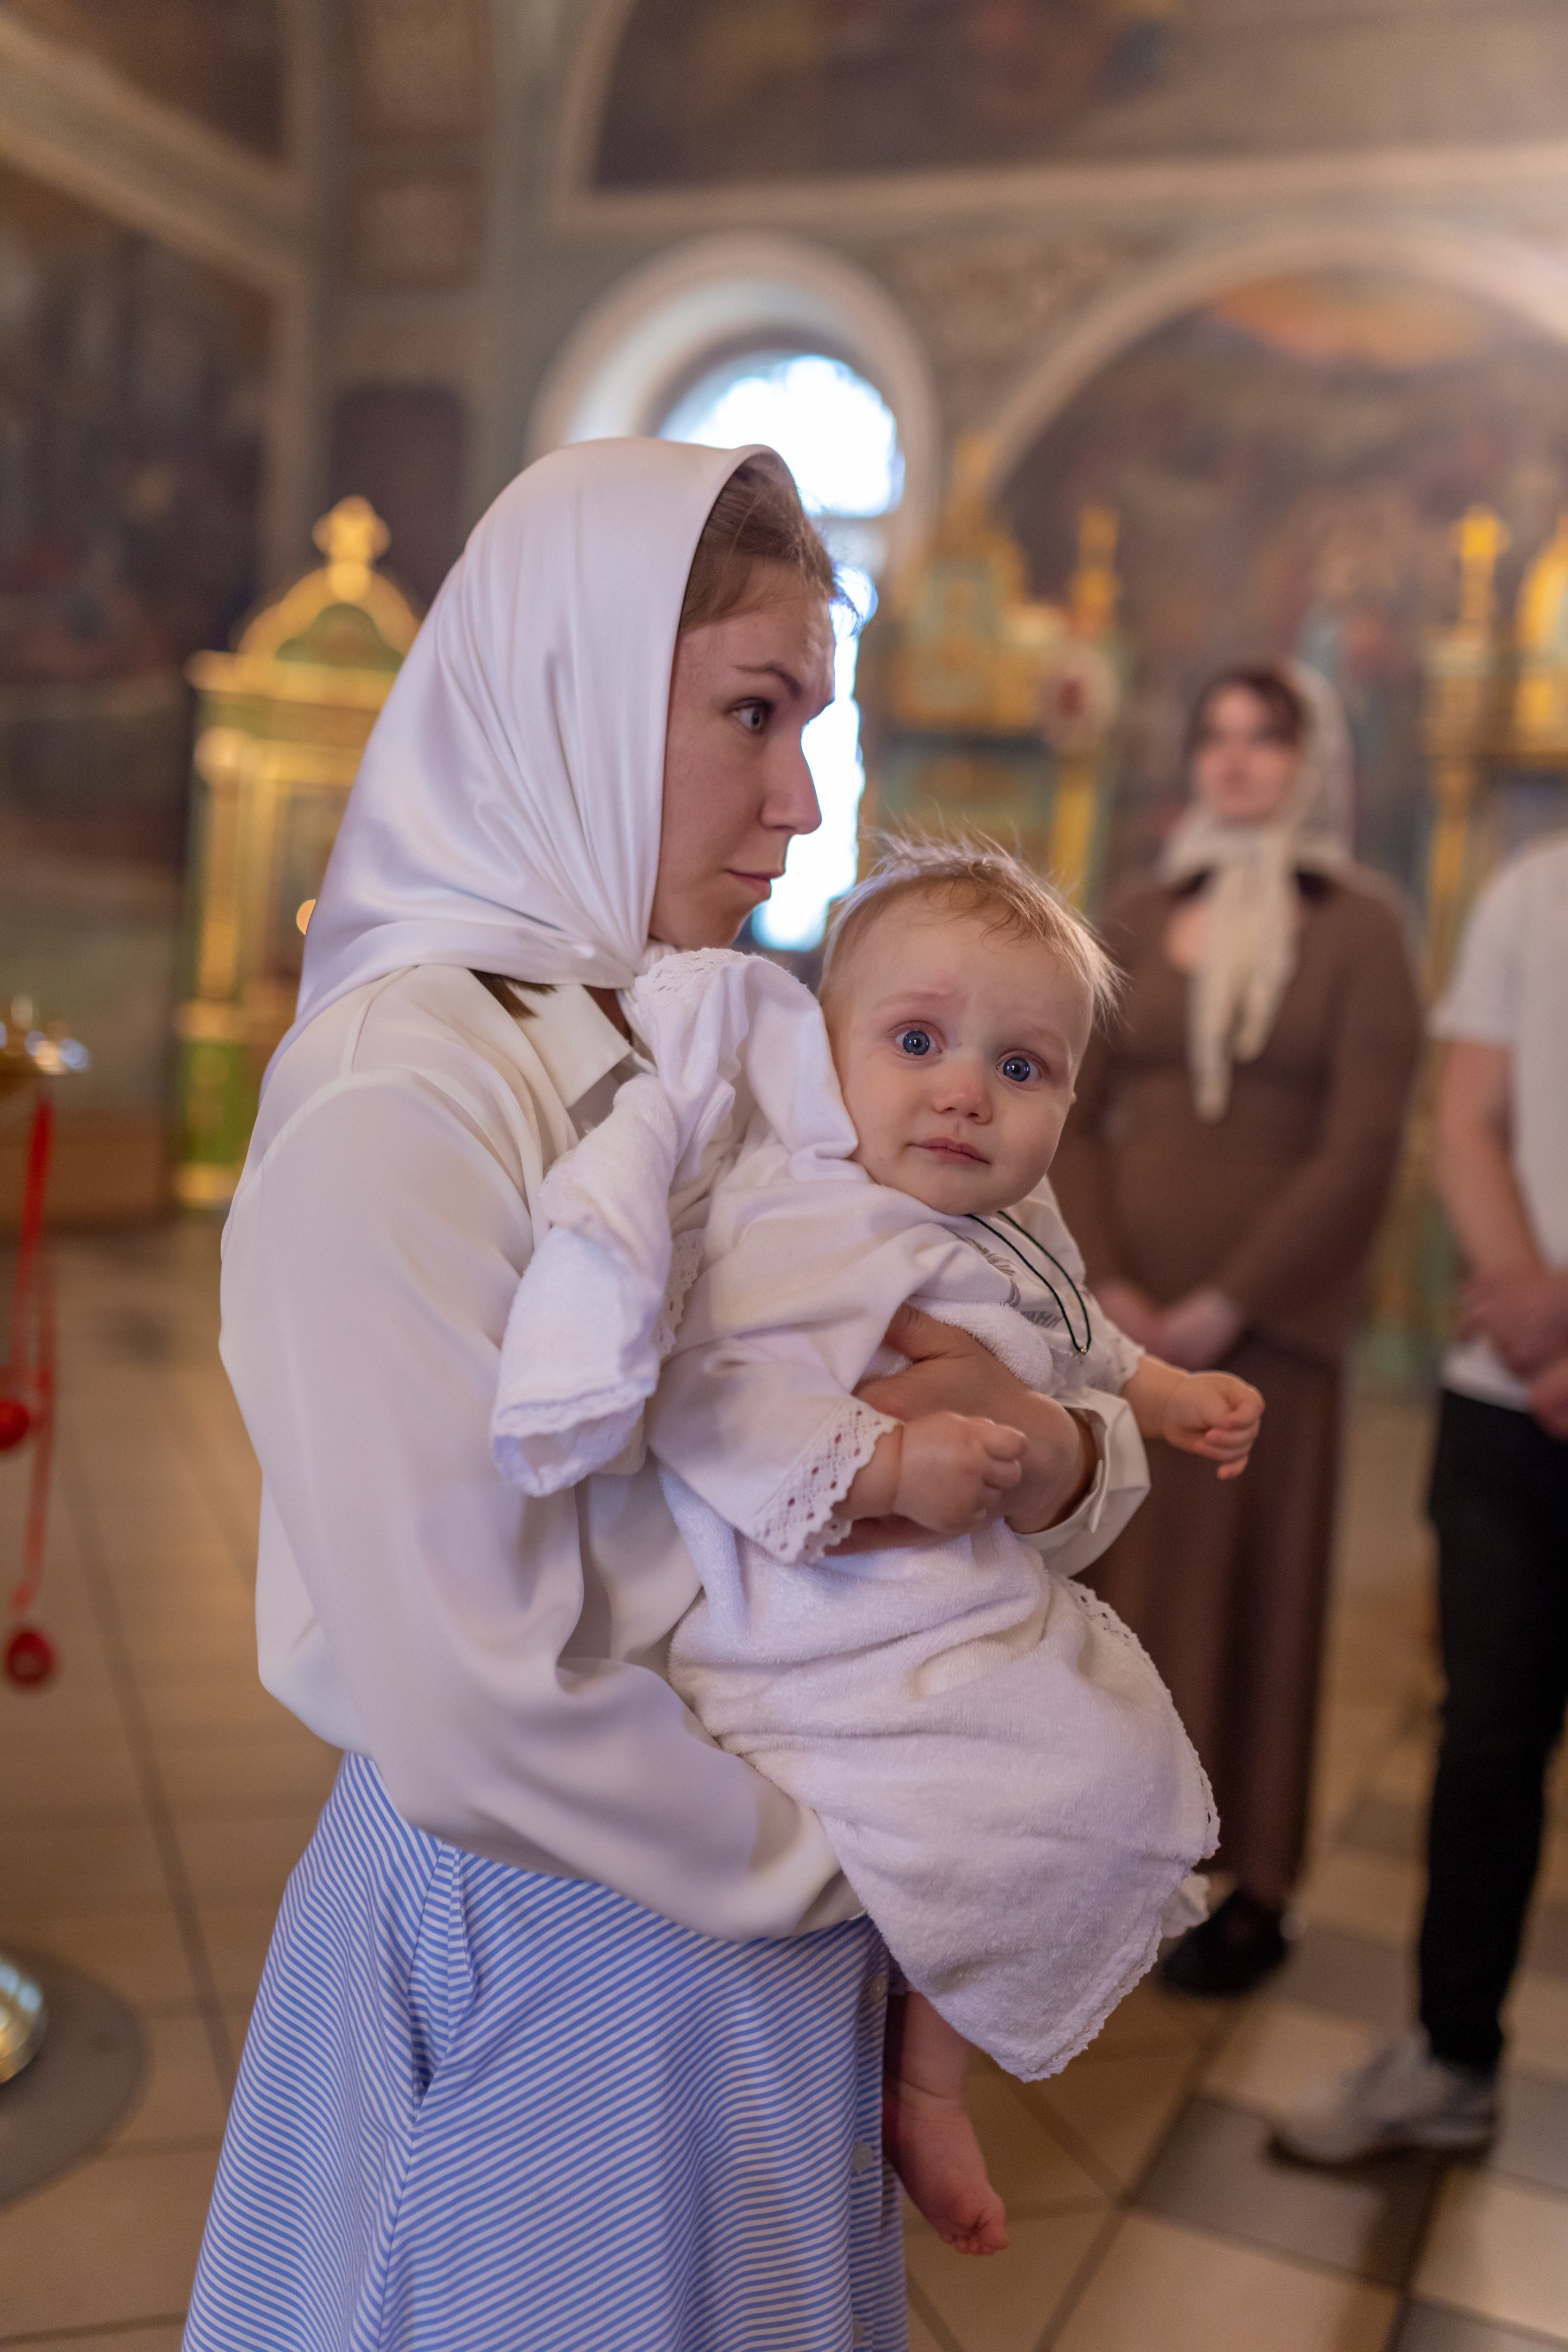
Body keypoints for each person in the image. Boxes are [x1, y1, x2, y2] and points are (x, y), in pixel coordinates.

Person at [183, 442, 1134, 2352]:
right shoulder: (406, 1095)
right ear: (576, 694)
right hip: (557, 1928)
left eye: (814, 725)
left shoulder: (712, 1021)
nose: (801, 802)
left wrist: (1061, 1458)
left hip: (739, 1926)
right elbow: (473, 1699)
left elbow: (1002, 1337)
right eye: (753, 715)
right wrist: (856, 1864)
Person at [491, 842, 1262, 2255]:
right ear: (828, 1054)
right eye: (916, 1043)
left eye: (1019, 1069)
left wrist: (1153, 1398)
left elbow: (1080, 1338)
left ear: (1067, 1101)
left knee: (1084, 1769)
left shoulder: (1007, 1221)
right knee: (1054, 1781)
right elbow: (708, 1396)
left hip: (949, 1592)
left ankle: (925, 2070)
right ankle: (922, 2076)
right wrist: (890, 1463)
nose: (965, 1091)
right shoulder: (802, 1218)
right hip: (816, 1606)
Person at [1052, 661, 1423, 1996]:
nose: (1235, 763)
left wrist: (1226, 1303)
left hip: (1269, 1335)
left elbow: (1359, 1144)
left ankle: (1246, 1879)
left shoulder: (1360, 929)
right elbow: (1069, 1106)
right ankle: (1107, 1854)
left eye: (1265, 741)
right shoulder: (1140, 913)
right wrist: (1113, 1289)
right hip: (1128, 1329)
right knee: (1127, 1595)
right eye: (1215, 738)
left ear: (1307, 761)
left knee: (1253, 1598)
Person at [1280, 830, 1568, 2161]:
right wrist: (1531, 1318)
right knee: (1483, 1745)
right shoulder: (1530, 887)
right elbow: (1464, 1116)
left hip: (1532, 1348)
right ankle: (1451, 2053)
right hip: (1506, 1398)